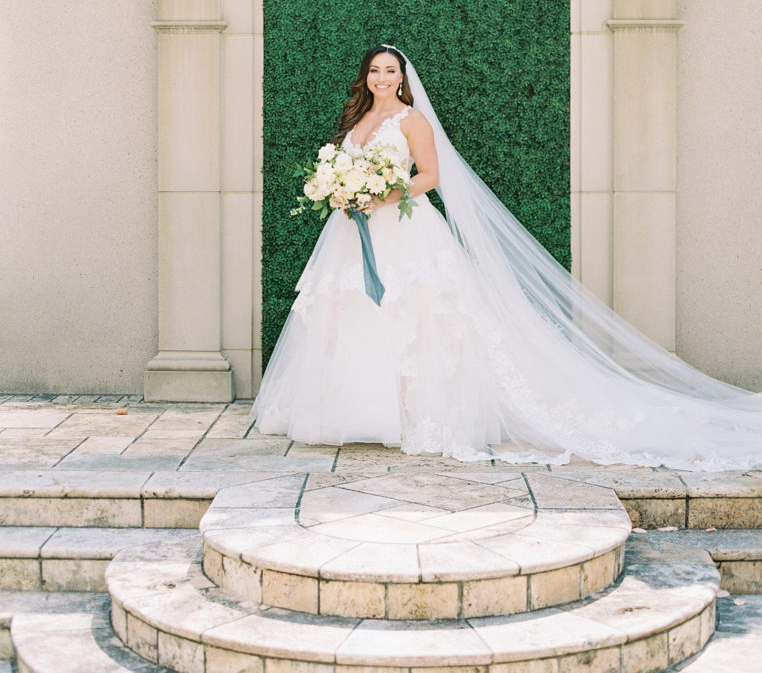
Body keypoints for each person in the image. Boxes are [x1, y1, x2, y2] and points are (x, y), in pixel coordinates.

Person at [252, 46, 762, 470]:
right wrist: (342, 191)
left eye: (391, 71)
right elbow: (345, 166)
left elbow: (430, 176)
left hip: (404, 230)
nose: (382, 78)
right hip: (353, 231)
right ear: (366, 77)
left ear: (403, 79)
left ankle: (413, 415)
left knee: (417, 314)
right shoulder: (359, 118)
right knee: (352, 313)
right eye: (375, 71)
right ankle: (353, 410)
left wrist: (380, 195)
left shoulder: (413, 120)